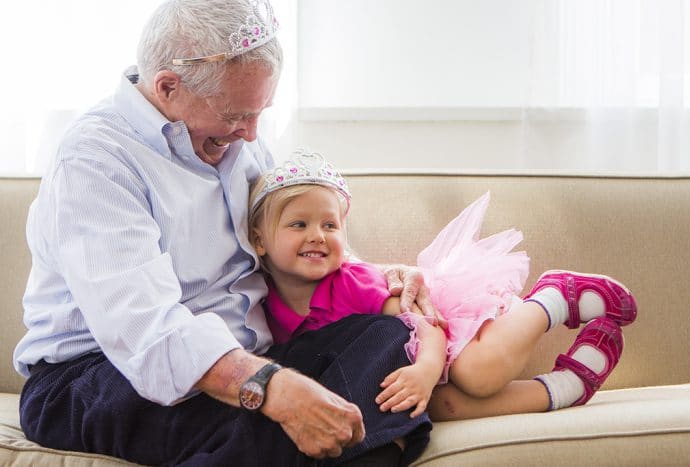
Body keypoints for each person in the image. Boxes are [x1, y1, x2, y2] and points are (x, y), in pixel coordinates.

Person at [13, 1, 436, 465]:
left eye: (260, 114)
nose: (252, 135)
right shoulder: (95, 160)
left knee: (384, 335)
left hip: (246, 360)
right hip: (96, 374)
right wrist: (272, 387)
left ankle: (350, 442)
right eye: (238, 115)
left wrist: (370, 272)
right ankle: (370, 448)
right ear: (168, 87)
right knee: (276, 422)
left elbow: (283, 239)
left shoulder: (234, 139)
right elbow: (148, 335)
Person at [248, 149, 638, 422]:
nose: (317, 235)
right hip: (403, 370)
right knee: (436, 409)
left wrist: (427, 369)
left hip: (439, 335)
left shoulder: (351, 283)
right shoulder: (263, 308)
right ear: (260, 241)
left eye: (329, 225)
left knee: (477, 373)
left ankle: (554, 297)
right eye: (299, 225)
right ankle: (563, 388)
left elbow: (425, 323)